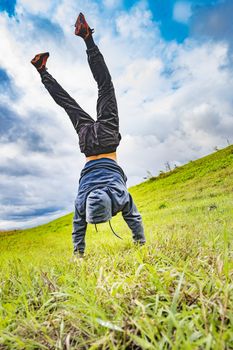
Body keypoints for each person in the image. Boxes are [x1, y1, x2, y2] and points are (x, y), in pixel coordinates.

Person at [31, 13, 146, 257]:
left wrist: (140, 242)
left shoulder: (119, 196)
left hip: (105, 139)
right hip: (88, 143)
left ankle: (87, 39)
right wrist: (78, 254)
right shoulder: (81, 202)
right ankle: (42, 70)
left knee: (105, 87)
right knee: (68, 104)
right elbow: (77, 228)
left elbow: (134, 218)